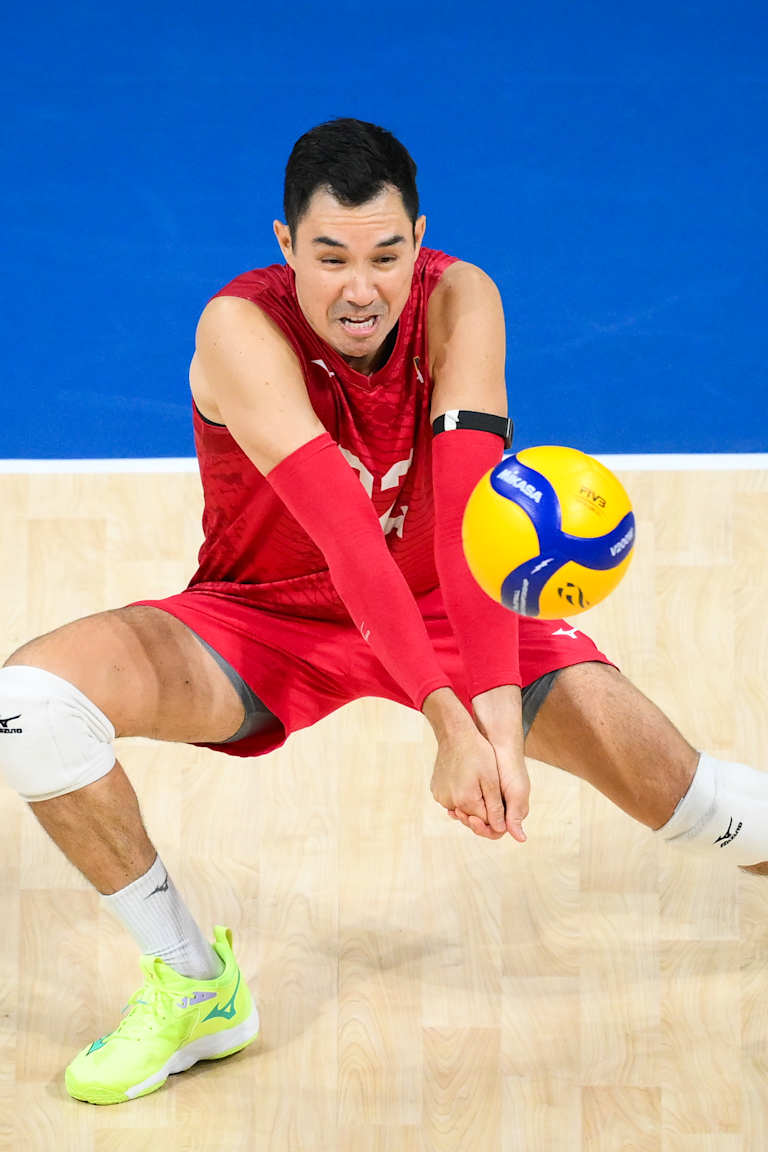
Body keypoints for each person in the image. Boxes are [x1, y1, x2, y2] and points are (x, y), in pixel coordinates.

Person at [1, 117, 767, 1107]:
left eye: (384, 255)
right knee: (29, 707)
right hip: (265, 612)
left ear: (418, 237)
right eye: (329, 258)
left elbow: (467, 514)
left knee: (682, 789)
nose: (360, 290)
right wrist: (451, 722)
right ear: (285, 246)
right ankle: (198, 988)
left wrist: (493, 703)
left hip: (448, 600)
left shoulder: (462, 300)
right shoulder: (239, 330)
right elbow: (344, 538)